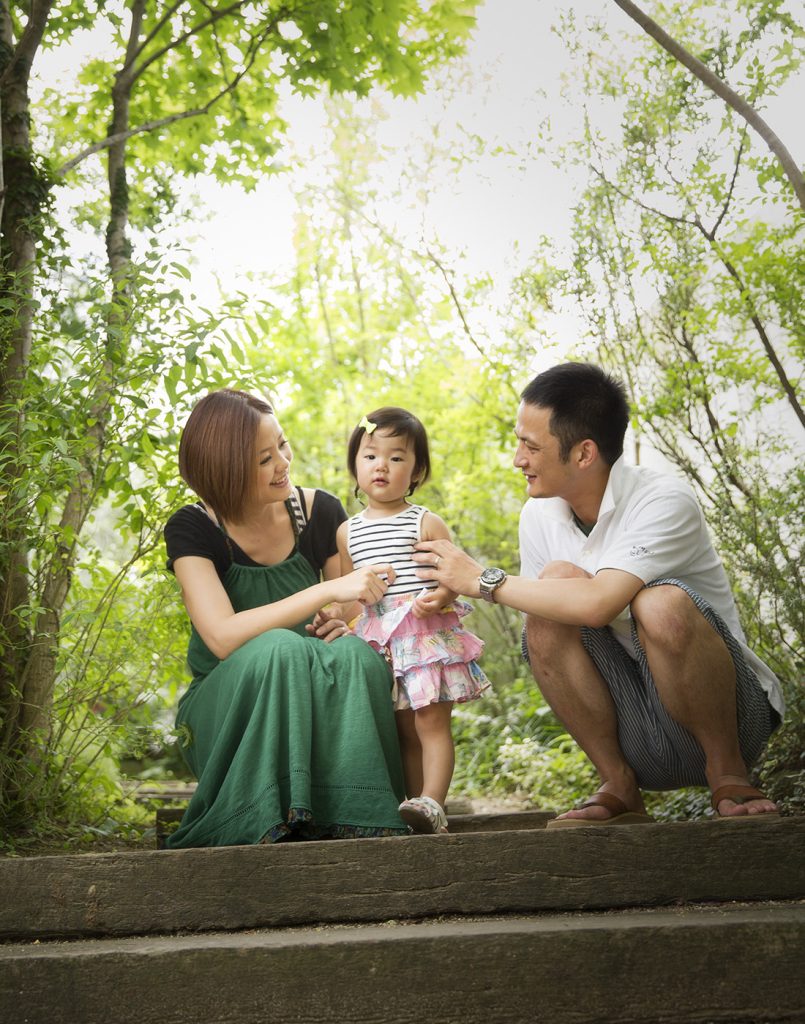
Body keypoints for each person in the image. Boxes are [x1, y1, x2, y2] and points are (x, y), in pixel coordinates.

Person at [412, 362, 784, 827]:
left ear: (584, 454)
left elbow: (600, 603)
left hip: (730, 714)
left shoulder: (663, 499)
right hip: (631, 725)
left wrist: (483, 581)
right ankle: (619, 784)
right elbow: (549, 612)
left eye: (531, 446)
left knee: (658, 602)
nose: (517, 459)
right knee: (549, 593)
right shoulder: (539, 514)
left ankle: (729, 776)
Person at [162, 389, 408, 848]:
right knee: (283, 647)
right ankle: (262, 816)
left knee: (357, 656)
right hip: (229, 709)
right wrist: (325, 591)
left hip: (316, 694)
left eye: (283, 444)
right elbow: (221, 636)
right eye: (262, 459)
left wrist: (348, 615)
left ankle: (361, 818)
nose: (282, 463)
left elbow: (347, 609)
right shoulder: (193, 527)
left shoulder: (319, 512)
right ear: (225, 469)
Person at [332, 407, 490, 834]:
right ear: (355, 465)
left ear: (416, 470)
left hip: (423, 634)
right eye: (370, 456)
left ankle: (434, 803)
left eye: (396, 457)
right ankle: (412, 805)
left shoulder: (423, 520)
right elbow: (348, 593)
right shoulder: (348, 531)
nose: (381, 465)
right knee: (401, 727)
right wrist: (337, 620)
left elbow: (454, 576)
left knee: (430, 722)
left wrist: (440, 596)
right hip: (378, 639)